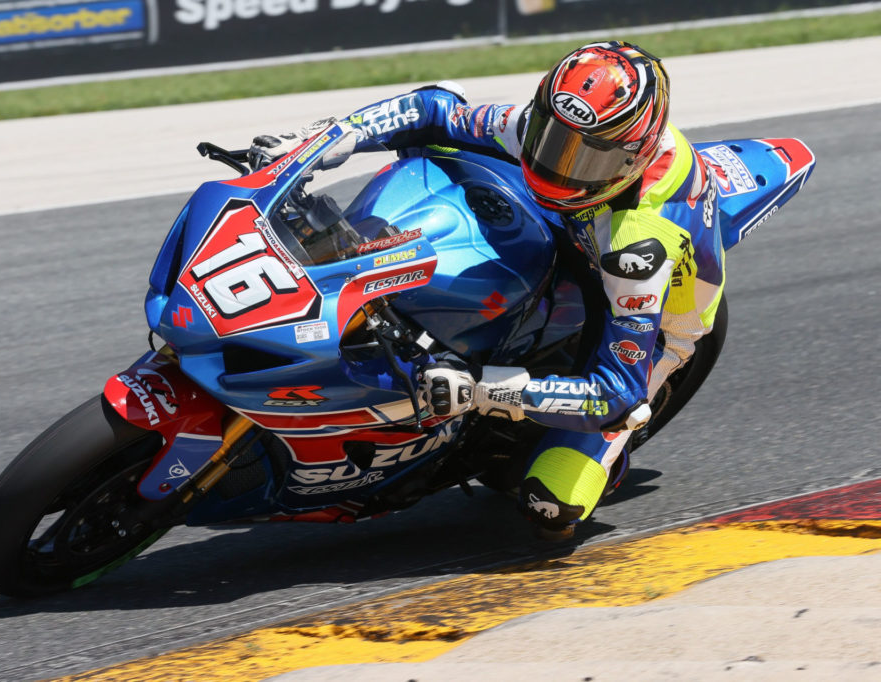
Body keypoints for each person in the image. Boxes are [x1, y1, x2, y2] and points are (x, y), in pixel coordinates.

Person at [249, 41, 726, 541]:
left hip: (652, 316)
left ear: (630, 159)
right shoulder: (543, 129)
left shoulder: (637, 250)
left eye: (582, 159)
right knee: (438, 145)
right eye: (550, 139)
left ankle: (606, 459)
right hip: (569, 222)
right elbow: (433, 110)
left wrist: (477, 387)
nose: (554, 163)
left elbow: (615, 394)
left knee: (551, 508)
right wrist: (325, 140)